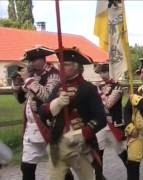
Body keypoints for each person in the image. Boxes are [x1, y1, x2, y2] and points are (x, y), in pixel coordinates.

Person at [38, 47, 106, 180]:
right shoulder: (58, 88)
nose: (61, 68)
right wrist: (56, 104)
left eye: (66, 65)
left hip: (80, 146)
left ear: (76, 67)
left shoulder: (88, 88)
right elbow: (42, 113)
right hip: (58, 144)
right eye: (60, 65)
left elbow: (100, 118)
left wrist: (83, 133)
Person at [11, 46, 61, 180]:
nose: (30, 63)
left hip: (49, 125)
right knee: (26, 167)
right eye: (29, 61)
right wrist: (16, 85)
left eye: (33, 60)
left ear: (42, 59)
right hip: (31, 127)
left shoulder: (54, 74)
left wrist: (28, 79)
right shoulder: (32, 75)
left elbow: (47, 96)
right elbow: (21, 100)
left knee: (59, 168)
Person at [94, 63, 128, 180]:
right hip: (100, 123)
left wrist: (98, 92)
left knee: (121, 151)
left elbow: (108, 104)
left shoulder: (117, 87)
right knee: (98, 152)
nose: (102, 75)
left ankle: (132, 173)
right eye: (101, 72)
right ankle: (99, 177)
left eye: (105, 72)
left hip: (113, 123)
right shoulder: (100, 86)